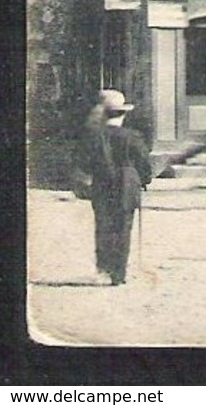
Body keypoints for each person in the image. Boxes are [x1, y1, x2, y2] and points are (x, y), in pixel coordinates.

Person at [74, 90, 151, 286]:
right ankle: (119, 273)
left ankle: (104, 268)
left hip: (102, 185)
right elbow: (143, 163)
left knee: (103, 226)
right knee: (123, 228)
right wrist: (145, 180)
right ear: (123, 115)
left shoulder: (94, 137)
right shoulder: (132, 137)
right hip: (127, 185)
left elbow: (83, 162)